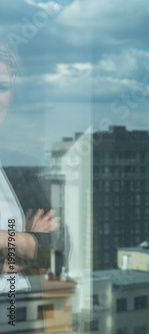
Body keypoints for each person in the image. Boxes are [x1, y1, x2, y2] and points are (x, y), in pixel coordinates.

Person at [0, 44, 60, 291]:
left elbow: (57, 250)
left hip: (21, 318)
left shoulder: (17, 168)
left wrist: (7, 243)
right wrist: (27, 242)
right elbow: (40, 251)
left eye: (2, 87)